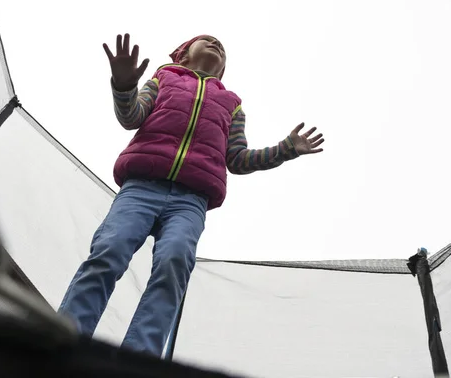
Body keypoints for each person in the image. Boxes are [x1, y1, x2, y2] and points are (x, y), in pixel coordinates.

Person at [58, 33, 324, 357]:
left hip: (190, 202)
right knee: (109, 250)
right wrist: (124, 86)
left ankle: (137, 359)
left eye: (222, 48)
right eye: (207, 40)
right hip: (141, 188)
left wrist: (284, 150)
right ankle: (66, 337)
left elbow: (238, 159)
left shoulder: (231, 104)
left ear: (223, 69)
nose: (217, 45)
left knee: (173, 263)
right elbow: (132, 116)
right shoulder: (164, 77)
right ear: (183, 55)